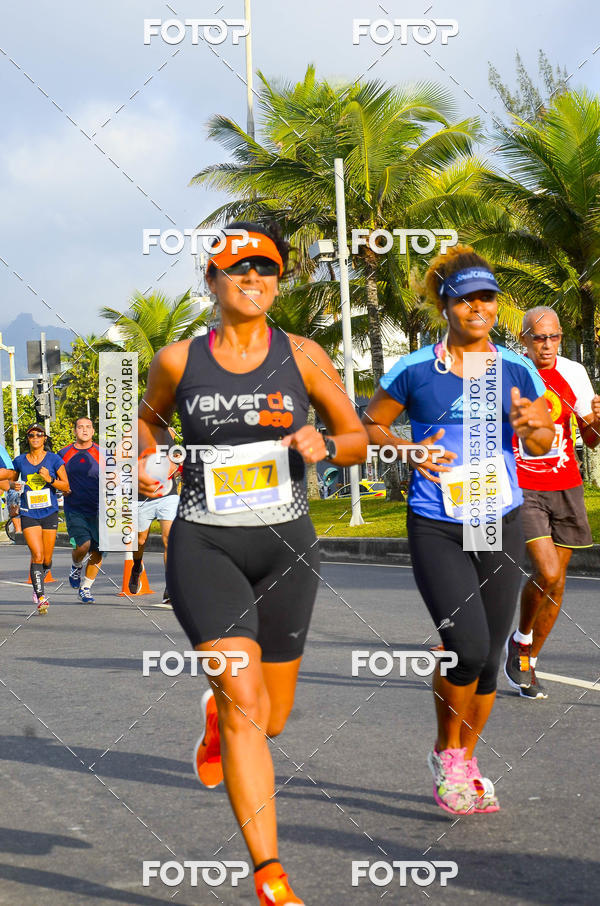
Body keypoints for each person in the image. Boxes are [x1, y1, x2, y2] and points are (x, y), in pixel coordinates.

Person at [137, 221, 367, 904]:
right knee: (245, 708)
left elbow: (356, 436)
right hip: (205, 543)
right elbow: (149, 421)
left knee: (269, 720)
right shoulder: (178, 361)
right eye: (238, 269)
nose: (253, 280)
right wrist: (149, 460)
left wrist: (324, 441)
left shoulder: (303, 354)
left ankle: (219, 715)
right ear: (210, 280)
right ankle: (271, 875)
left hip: (288, 547)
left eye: (266, 269)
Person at [363, 245, 554, 816]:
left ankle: (462, 759)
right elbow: (371, 425)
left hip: (497, 518)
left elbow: (542, 442)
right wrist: (406, 449)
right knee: (464, 648)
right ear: (445, 305)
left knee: (489, 657)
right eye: (467, 298)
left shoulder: (517, 370)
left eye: (488, 299)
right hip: (438, 522)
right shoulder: (415, 370)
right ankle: (447, 755)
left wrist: (533, 427)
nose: (479, 308)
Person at [504, 307, 600, 699]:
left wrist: (596, 419)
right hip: (522, 484)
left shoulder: (575, 373)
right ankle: (520, 641)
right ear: (524, 339)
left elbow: (590, 439)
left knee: (557, 583)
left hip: (566, 485)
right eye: (538, 337)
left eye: (554, 337)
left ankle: (526, 656)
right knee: (546, 569)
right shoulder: (507, 371)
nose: (547, 345)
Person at [0, 424, 70, 613]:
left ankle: (42, 571)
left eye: (39, 434)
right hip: (28, 512)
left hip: (49, 513)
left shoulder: (54, 459)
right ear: (28, 439)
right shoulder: (20, 460)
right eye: (32, 435)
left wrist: (50, 480)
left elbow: (66, 487)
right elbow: (10, 480)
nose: (36, 437)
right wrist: (13, 485)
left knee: (47, 559)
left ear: (44, 438)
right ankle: (40, 596)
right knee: (37, 555)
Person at [130, 427, 180, 607]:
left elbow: (175, 462)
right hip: (142, 498)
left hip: (167, 496)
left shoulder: (169, 434)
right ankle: (137, 566)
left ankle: (171, 586)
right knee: (140, 540)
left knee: (169, 540)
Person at [58, 416, 103, 604]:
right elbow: (56, 478)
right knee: (83, 545)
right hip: (74, 508)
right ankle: (76, 565)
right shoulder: (63, 453)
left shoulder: (103, 453)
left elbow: (115, 478)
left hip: (100, 509)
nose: (84, 430)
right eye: (80, 427)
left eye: (88, 427)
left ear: (93, 431)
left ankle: (86, 588)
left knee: (99, 550)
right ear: (75, 431)